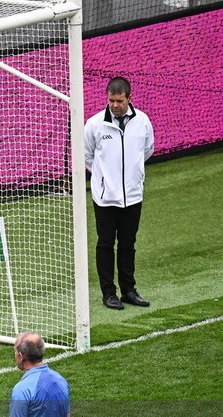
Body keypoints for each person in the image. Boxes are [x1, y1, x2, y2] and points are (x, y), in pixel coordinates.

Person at [84, 76, 155, 310]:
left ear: (129, 98)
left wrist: (133, 177)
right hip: (105, 198)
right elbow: (87, 156)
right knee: (105, 244)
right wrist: (105, 180)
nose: (115, 105)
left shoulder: (143, 121)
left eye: (120, 100)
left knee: (128, 243)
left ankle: (128, 290)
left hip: (133, 196)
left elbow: (147, 150)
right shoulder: (95, 124)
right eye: (111, 100)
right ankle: (108, 293)